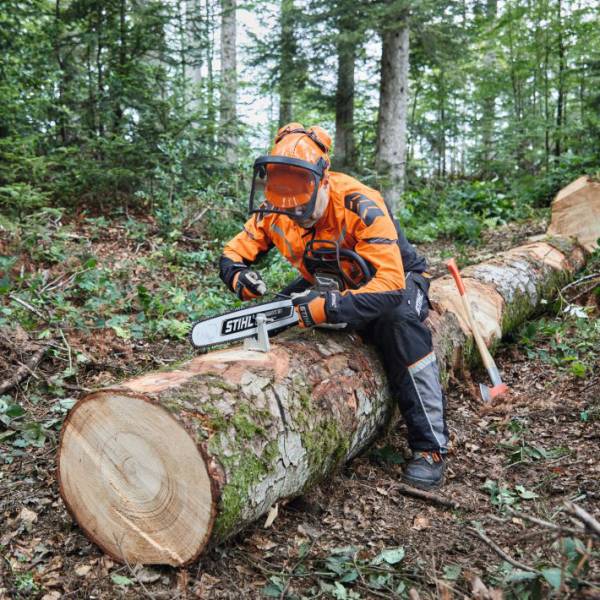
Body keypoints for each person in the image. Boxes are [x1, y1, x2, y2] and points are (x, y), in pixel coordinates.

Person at [219, 123, 449, 489]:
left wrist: (334, 309)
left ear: (323, 183)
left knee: (400, 323)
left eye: (304, 212)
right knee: (280, 311)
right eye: (289, 211)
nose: (296, 218)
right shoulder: (278, 206)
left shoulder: (360, 203)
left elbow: (389, 286)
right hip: (330, 276)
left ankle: (430, 447)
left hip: (395, 278)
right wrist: (236, 275)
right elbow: (234, 251)